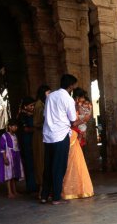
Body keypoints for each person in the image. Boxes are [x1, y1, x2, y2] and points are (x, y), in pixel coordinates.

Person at [40, 74, 78, 205]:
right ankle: (56, 197)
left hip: (48, 136)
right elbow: (73, 120)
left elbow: (45, 115)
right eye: (73, 85)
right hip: (61, 135)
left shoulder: (50, 96)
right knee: (59, 167)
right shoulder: (67, 99)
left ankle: (44, 195)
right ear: (70, 86)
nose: (74, 88)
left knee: (48, 166)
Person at [61, 89, 94, 200]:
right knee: (72, 162)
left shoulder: (76, 106)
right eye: (81, 98)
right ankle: (73, 189)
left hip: (74, 135)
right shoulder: (71, 106)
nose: (82, 101)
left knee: (76, 162)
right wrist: (82, 121)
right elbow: (72, 122)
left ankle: (76, 188)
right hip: (71, 134)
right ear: (76, 98)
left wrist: (82, 124)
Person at [0, 119, 24, 198]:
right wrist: (5, 158)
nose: (16, 127)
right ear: (9, 127)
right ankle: (9, 192)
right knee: (8, 175)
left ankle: (14, 191)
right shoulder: (4, 136)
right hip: (8, 157)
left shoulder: (15, 136)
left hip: (15, 156)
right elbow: (2, 149)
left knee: (13, 175)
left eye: (16, 126)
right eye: (14, 126)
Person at [32, 85, 51, 197]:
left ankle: (45, 190)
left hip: (43, 135)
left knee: (44, 161)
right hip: (40, 136)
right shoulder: (39, 105)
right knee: (41, 162)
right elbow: (37, 123)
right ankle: (42, 191)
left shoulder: (43, 104)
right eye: (48, 93)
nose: (49, 95)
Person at [17, 96, 37, 193]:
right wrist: (37, 129)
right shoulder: (22, 116)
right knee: (29, 163)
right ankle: (31, 186)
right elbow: (25, 129)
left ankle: (36, 184)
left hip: (32, 140)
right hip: (26, 141)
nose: (33, 107)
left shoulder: (32, 114)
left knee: (35, 162)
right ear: (25, 106)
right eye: (31, 105)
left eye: (33, 105)